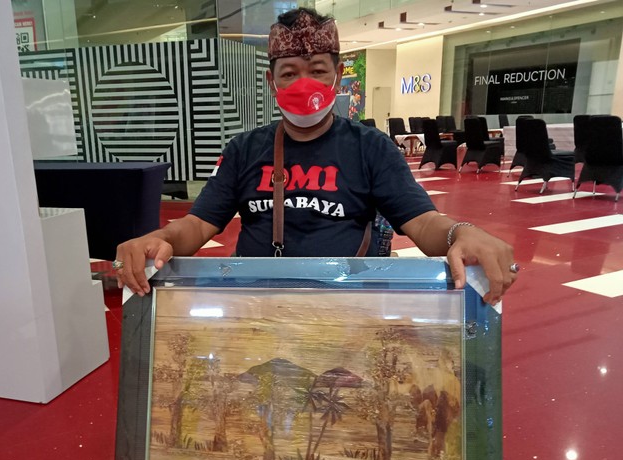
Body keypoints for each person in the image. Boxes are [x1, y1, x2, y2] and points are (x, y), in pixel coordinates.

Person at [114, 7, 518, 305]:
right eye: (289, 73)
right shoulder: (244, 150)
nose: (304, 84)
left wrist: (461, 233)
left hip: (346, 303)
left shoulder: (370, 147)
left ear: (337, 77)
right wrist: (160, 238)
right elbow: (198, 224)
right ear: (271, 82)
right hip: (254, 303)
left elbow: (424, 223)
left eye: (318, 71)